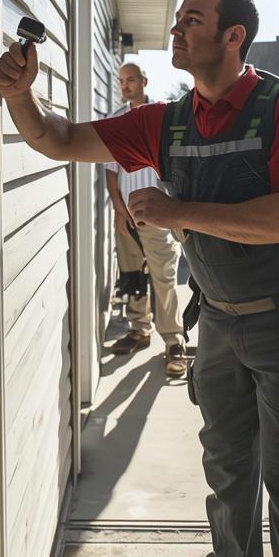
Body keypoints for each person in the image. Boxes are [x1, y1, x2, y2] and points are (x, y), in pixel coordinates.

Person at [0, 0, 279, 557]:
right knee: (227, 465)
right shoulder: (167, 122)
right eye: (179, 18)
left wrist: (177, 209)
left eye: (193, 19)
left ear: (233, 36)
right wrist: (21, 95)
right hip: (217, 322)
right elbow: (59, 139)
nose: (177, 30)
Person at [104, 62, 188, 377]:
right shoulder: (115, 121)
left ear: (144, 82)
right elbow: (111, 172)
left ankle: (173, 340)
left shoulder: (162, 118)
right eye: (121, 80)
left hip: (159, 216)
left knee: (164, 278)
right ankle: (140, 329)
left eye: (131, 80)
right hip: (127, 215)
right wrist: (118, 209)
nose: (126, 86)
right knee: (133, 277)